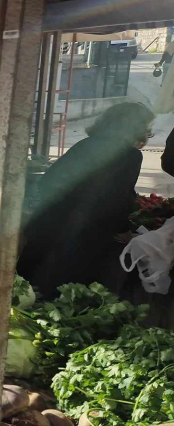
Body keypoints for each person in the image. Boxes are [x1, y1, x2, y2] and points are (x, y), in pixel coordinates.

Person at [18, 102, 154, 299]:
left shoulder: (85, 144)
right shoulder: (130, 155)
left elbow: (47, 182)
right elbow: (117, 200)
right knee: (62, 298)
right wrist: (124, 230)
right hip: (79, 240)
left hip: (45, 229)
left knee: (25, 294)